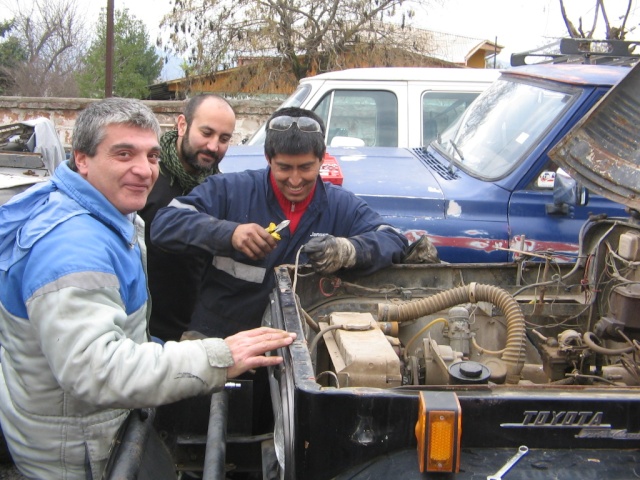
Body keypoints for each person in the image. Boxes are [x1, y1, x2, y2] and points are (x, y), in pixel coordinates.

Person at [0, 97, 295, 480]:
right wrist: (217, 356)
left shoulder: (105, 213)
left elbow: (120, 335)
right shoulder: (72, 248)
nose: (144, 170)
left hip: (101, 428)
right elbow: (98, 370)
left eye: (152, 156)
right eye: (124, 154)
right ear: (83, 159)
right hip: (78, 455)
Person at [151, 106, 408, 431]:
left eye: (306, 167)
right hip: (223, 346)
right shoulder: (232, 191)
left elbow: (394, 240)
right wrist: (228, 233)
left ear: (322, 159)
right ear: (268, 158)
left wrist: (349, 250)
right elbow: (165, 224)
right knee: (204, 443)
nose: (296, 179)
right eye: (284, 167)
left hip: (299, 358)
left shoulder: (339, 206)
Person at [139, 94, 236, 342]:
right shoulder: (145, 179)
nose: (214, 146)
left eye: (224, 139)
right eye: (207, 133)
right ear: (182, 125)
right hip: (145, 331)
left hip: (195, 332)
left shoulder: (221, 191)